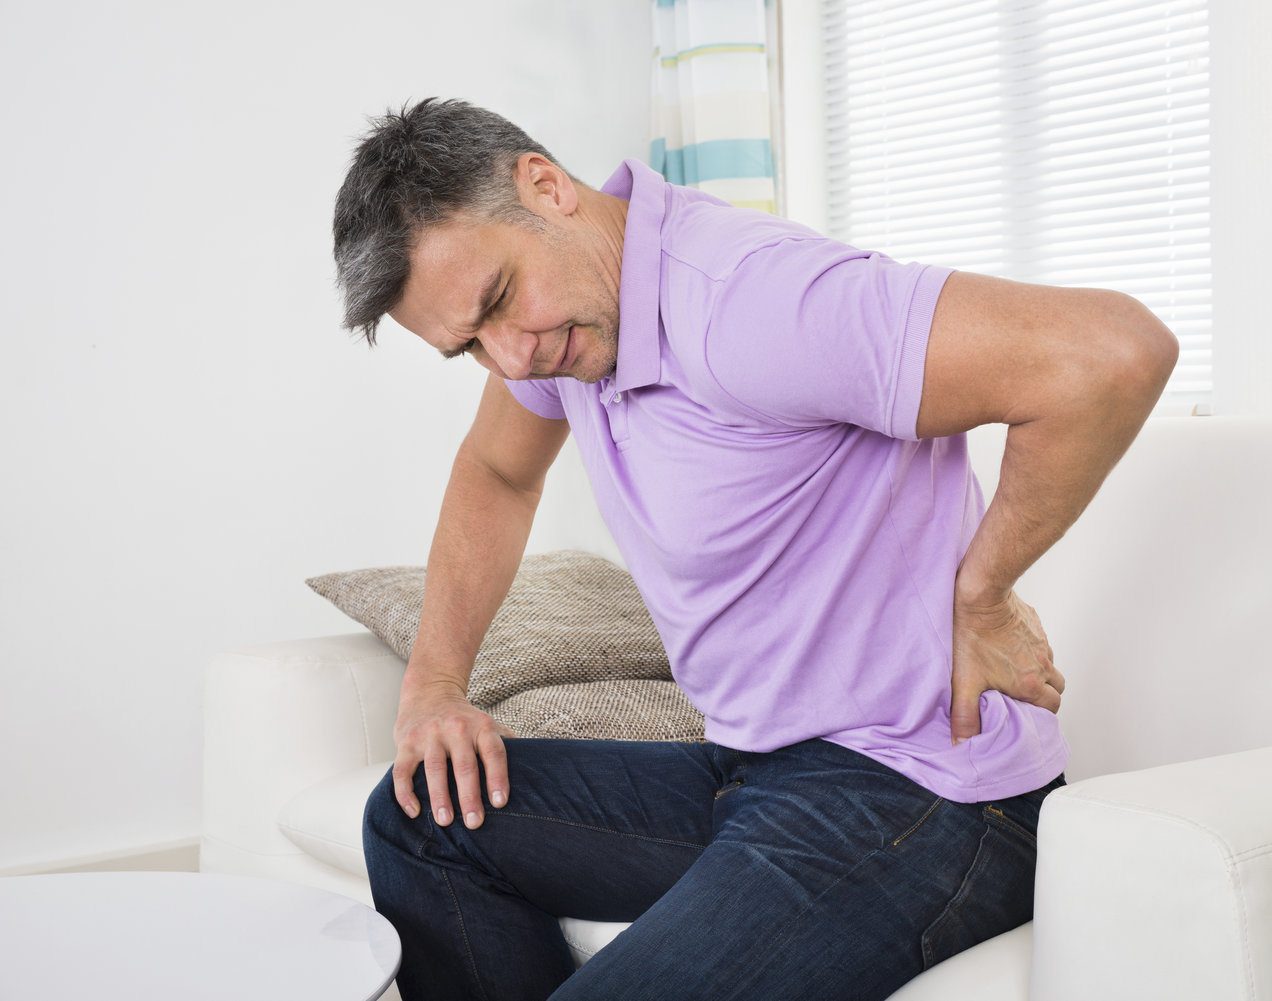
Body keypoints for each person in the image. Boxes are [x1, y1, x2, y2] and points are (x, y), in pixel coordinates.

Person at [332, 97, 1176, 1001]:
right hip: (760, 771)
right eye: (470, 346)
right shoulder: (565, 329)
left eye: (499, 300)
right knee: (422, 817)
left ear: (544, 185)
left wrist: (984, 592)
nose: (511, 359)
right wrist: (434, 686)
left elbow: (1110, 353)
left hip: (929, 796)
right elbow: (497, 474)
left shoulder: (753, 300)